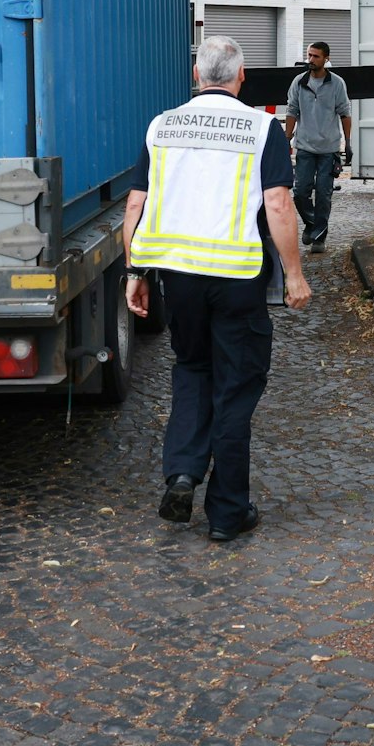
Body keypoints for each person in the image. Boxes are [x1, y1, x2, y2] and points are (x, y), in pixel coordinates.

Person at [123, 35, 312, 542]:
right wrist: (294, 274)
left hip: (178, 278)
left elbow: (136, 207)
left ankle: (183, 471)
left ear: (196, 76)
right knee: (236, 387)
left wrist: (134, 273)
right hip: (236, 280)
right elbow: (278, 205)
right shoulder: (260, 127)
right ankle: (227, 513)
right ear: (241, 77)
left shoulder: (162, 126)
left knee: (191, 369)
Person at [283, 40, 353, 253]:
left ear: (326, 59)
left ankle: (320, 237)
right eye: (309, 55)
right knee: (300, 192)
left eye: (316, 56)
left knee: (324, 193)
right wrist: (286, 140)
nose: (311, 60)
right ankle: (313, 224)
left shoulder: (337, 83)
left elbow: (345, 113)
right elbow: (292, 111)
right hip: (304, 147)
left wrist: (348, 143)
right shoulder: (298, 82)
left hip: (328, 149)